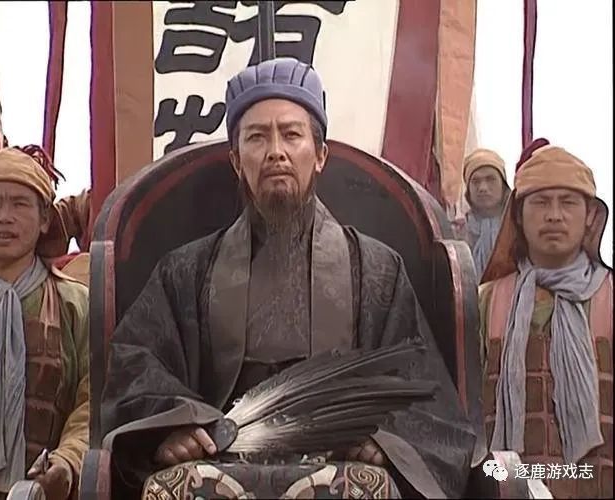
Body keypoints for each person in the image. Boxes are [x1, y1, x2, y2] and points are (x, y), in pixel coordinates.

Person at [100, 57, 476, 499]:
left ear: (320, 156)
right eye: (257, 137)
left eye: (291, 135)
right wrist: (174, 427)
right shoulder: (187, 270)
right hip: (216, 463)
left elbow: (423, 390)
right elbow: (135, 365)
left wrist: (387, 442)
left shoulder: (376, 270)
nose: (275, 151)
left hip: (340, 466)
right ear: (236, 161)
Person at [479, 139, 612, 498]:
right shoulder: (487, 301)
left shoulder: (611, 298)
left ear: (591, 216)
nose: (554, 215)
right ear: (518, 215)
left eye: (568, 202)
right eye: (540, 202)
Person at [0, 146, 90, 500]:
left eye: (20, 204)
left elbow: (94, 401)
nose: (4, 217)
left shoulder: (74, 303)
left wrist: (68, 461)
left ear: (45, 219)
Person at [456, 149, 510, 279]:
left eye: (491, 179)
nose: (483, 188)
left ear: (503, 185)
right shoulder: (456, 232)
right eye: (475, 181)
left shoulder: (518, 227)